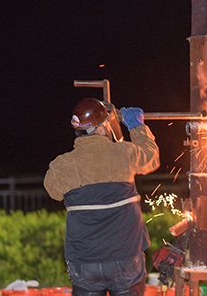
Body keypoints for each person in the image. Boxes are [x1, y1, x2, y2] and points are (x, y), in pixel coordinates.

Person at [44, 98, 159, 295]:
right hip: (126, 258)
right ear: (99, 129)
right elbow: (152, 158)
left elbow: (54, 192)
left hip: (84, 263)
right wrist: (137, 126)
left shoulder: (61, 165)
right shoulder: (124, 153)